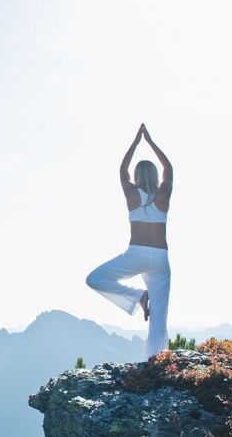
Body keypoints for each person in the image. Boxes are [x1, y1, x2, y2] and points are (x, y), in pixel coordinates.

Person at [86, 123, 173, 360]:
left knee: (95, 279)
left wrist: (136, 143)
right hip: (160, 258)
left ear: (138, 176)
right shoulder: (163, 195)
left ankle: (137, 296)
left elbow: (122, 170)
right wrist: (151, 142)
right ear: (155, 176)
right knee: (159, 319)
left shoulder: (133, 195)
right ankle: (156, 363)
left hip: (136, 254)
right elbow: (169, 167)